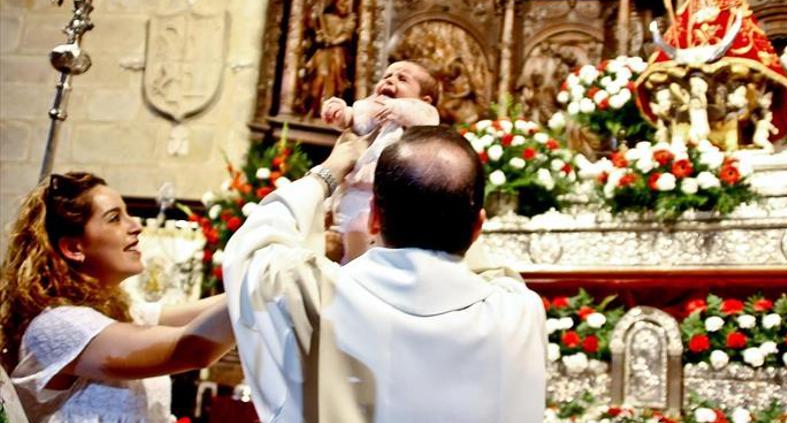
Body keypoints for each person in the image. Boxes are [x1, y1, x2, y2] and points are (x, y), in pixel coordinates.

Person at [222, 126, 547, 423]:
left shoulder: (312, 296)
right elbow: (489, 270)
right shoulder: (519, 313)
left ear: (373, 217)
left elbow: (256, 243)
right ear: (478, 227)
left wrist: (329, 172)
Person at [0, 172, 235, 422]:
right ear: (74, 248)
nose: (136, 226)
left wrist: (271, 277)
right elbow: (191, 349)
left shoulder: (123, 311)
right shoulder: (57, 326)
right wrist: (260, 291)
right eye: (114, 218)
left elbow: (200, 312)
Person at [636, 0, 787, 146]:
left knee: (741, 73)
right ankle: (679, 127)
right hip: (691, 55)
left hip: (723, 52)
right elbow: (683, 24)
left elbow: (739, 19)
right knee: (661, 76)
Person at [321, 60, 440, 261]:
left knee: (364, 239)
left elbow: (426, 119)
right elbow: (353, 117)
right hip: (352, 189)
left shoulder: (422, 114)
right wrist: (339, 112)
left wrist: (394, 107)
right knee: (336, 233)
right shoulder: (374, 112)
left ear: (425, 99)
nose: (390, 80)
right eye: (387, 76)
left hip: (381, 199)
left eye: (402, 78)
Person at [300, 0, 357, 118]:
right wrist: (320, 36)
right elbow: (315, 32)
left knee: (335, 82)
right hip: (322, 53)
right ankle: (313, 108)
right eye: (342, 1)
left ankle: (327, 112)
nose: (345, 4)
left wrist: (331, 41)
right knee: (320, 76)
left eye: (347, 1)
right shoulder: (324, 17)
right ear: (335, 2)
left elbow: (346, 35)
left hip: (338, 55)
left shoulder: (350, 19)